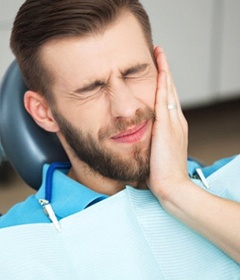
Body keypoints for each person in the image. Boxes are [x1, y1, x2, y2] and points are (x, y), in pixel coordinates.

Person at [0, 0, 239, 278]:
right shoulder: (12, 246)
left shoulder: (231, 178)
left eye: (134, 72)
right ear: (45, 113)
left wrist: (177, 190)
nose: (126, 109)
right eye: (91, 88)